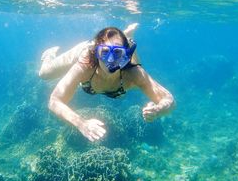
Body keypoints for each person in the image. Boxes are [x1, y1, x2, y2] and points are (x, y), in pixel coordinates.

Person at [39, 23, 175, 142]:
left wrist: (158, 110)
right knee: (44, 74)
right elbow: (54, 101)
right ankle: (48, 55)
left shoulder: (133, 73)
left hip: (124, 63)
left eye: (117, 53)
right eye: (104, 52)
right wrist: (81, 123)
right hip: (83, 51)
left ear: (125, 55)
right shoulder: (85, 65)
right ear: (96, 53)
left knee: (134, 61)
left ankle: (126, 38)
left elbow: (169, 100)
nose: (110, 60)